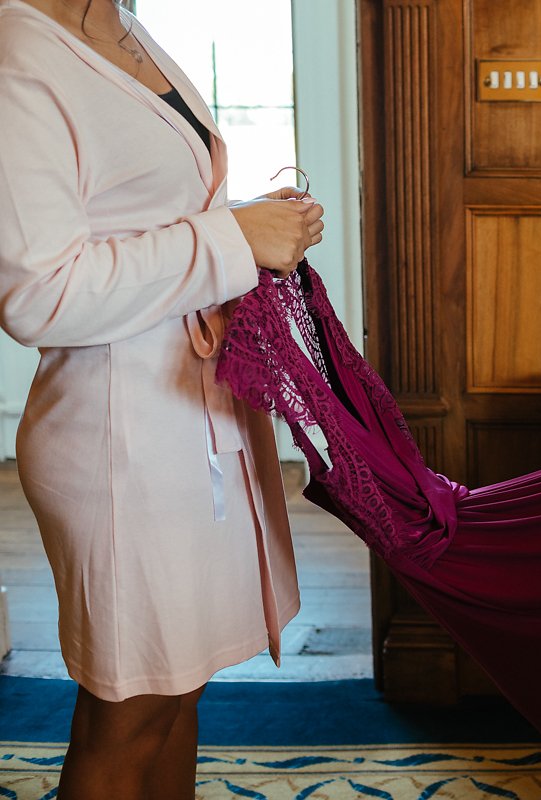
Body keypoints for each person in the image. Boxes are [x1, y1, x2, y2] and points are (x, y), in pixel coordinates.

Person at [0, 1, 324, 797]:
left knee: (178, 691)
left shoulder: (117, 24)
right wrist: (231, 239)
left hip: (189, 417)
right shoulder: (17, 53)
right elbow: (37, 293)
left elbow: (136, 210)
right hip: (120, 442)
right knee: (128, 714)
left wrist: (247, 218)